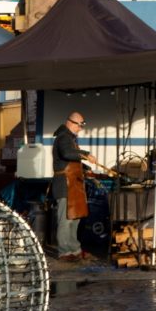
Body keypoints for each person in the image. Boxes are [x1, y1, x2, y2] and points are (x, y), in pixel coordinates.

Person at [52, 111, 97, 261]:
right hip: (64, 184)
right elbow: (66, 154)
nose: (80, 129)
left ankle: (74, 249)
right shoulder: (63, 137)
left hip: (73, 185)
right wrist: (85, 154)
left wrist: (84, 167)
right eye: (80, 125)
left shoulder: (70, 138)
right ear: (71, 122)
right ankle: (64, 252)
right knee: (66, 220)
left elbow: (71, 160)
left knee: (74, 217)